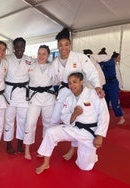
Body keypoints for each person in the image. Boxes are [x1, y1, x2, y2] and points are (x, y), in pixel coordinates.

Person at [36, 72, 109, 174]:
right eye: (70, 83)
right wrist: (74, 114)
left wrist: (100, 135)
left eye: (75, 82)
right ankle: (45, 163)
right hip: (74, 129)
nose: (72, 85)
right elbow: (64, 117)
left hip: (88, 133)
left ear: (81, 82)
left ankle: (91, 154)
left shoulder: (94, 94)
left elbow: (104, 115)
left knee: (85, 167)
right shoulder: (69, 98)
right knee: (50, 132)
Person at [49, 28, 105, 160]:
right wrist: (55, 89)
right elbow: (53, 80)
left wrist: (97, 86)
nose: (64, 48)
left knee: (77, 120)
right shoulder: (55, 62)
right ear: (58, 46)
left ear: (70, 45)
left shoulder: (80, 57)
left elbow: (92, 73)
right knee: (54, 118)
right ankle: (48, 145)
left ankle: (72, 149)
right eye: (61, 45)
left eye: (66, 44)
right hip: (63, 92)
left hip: (78, 93)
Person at [23, 45, 57, 160]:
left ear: (48, 55)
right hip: (35, 97)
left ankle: (44, 148)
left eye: (44, 54)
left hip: (48, 98)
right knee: (30, 123)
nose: (41, 56)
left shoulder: (53, 66)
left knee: (48, 124)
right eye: (39, 53)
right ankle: (27, 148)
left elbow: (57, 81)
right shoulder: (31, 65)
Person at [3, 37, 33, 154]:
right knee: (9, 119)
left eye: (22, 46)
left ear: (25, 47)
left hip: (24, 94)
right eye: (17, 46)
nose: (20, 49)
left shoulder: (29, 60)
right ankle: (8, 143)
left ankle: (20, 143)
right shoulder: (7, 59)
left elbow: (33, 75)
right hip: (10, 92)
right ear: (14, 47)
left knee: (23, 120)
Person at [98, 49, 125, 125]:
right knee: (105, 102)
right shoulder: (100, 63)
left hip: (113, 83)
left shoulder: (110, 61)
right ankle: (105, 118)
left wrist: (119, 86)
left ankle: (121, 117)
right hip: (105, 84)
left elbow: (118, 76)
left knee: (114, 101)